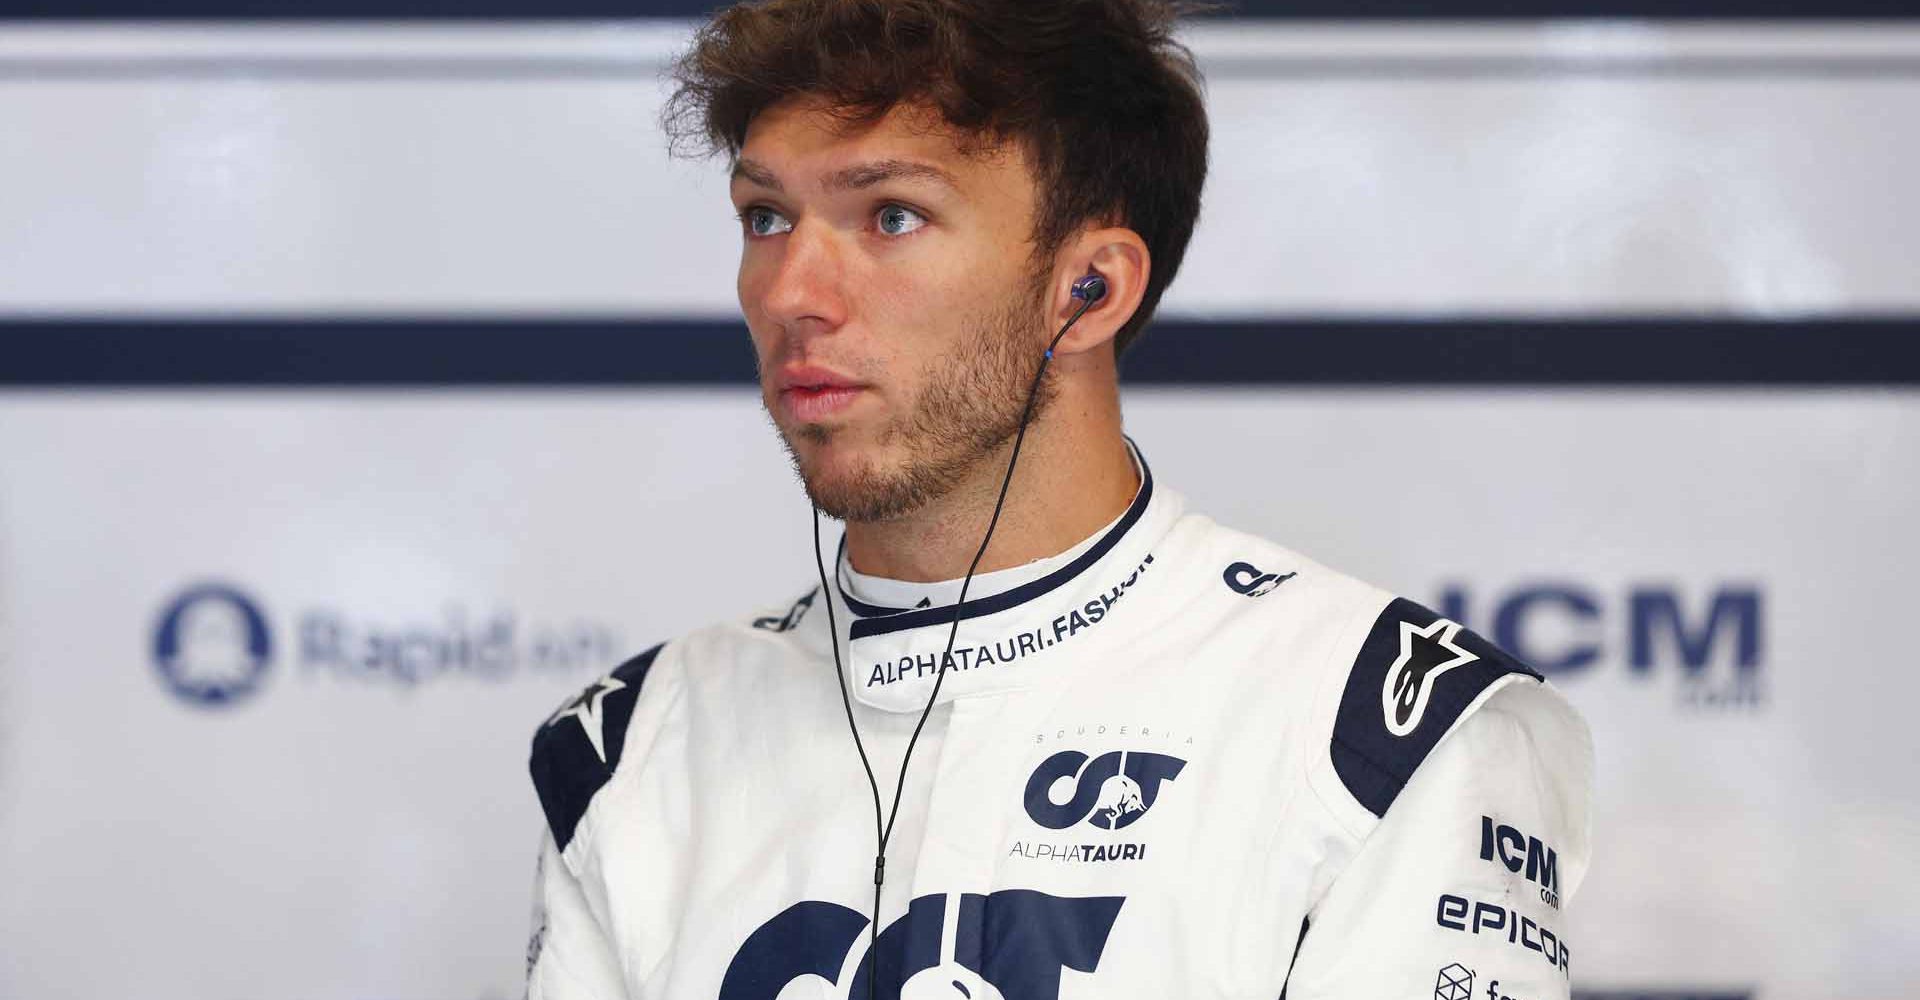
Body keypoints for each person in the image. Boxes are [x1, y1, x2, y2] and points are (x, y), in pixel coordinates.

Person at [525, 1, 1592, 997]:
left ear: (1091, 289)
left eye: (890, 215)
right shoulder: (635, 746)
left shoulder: (1379, 735)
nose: (792, 292)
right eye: (765, 217)